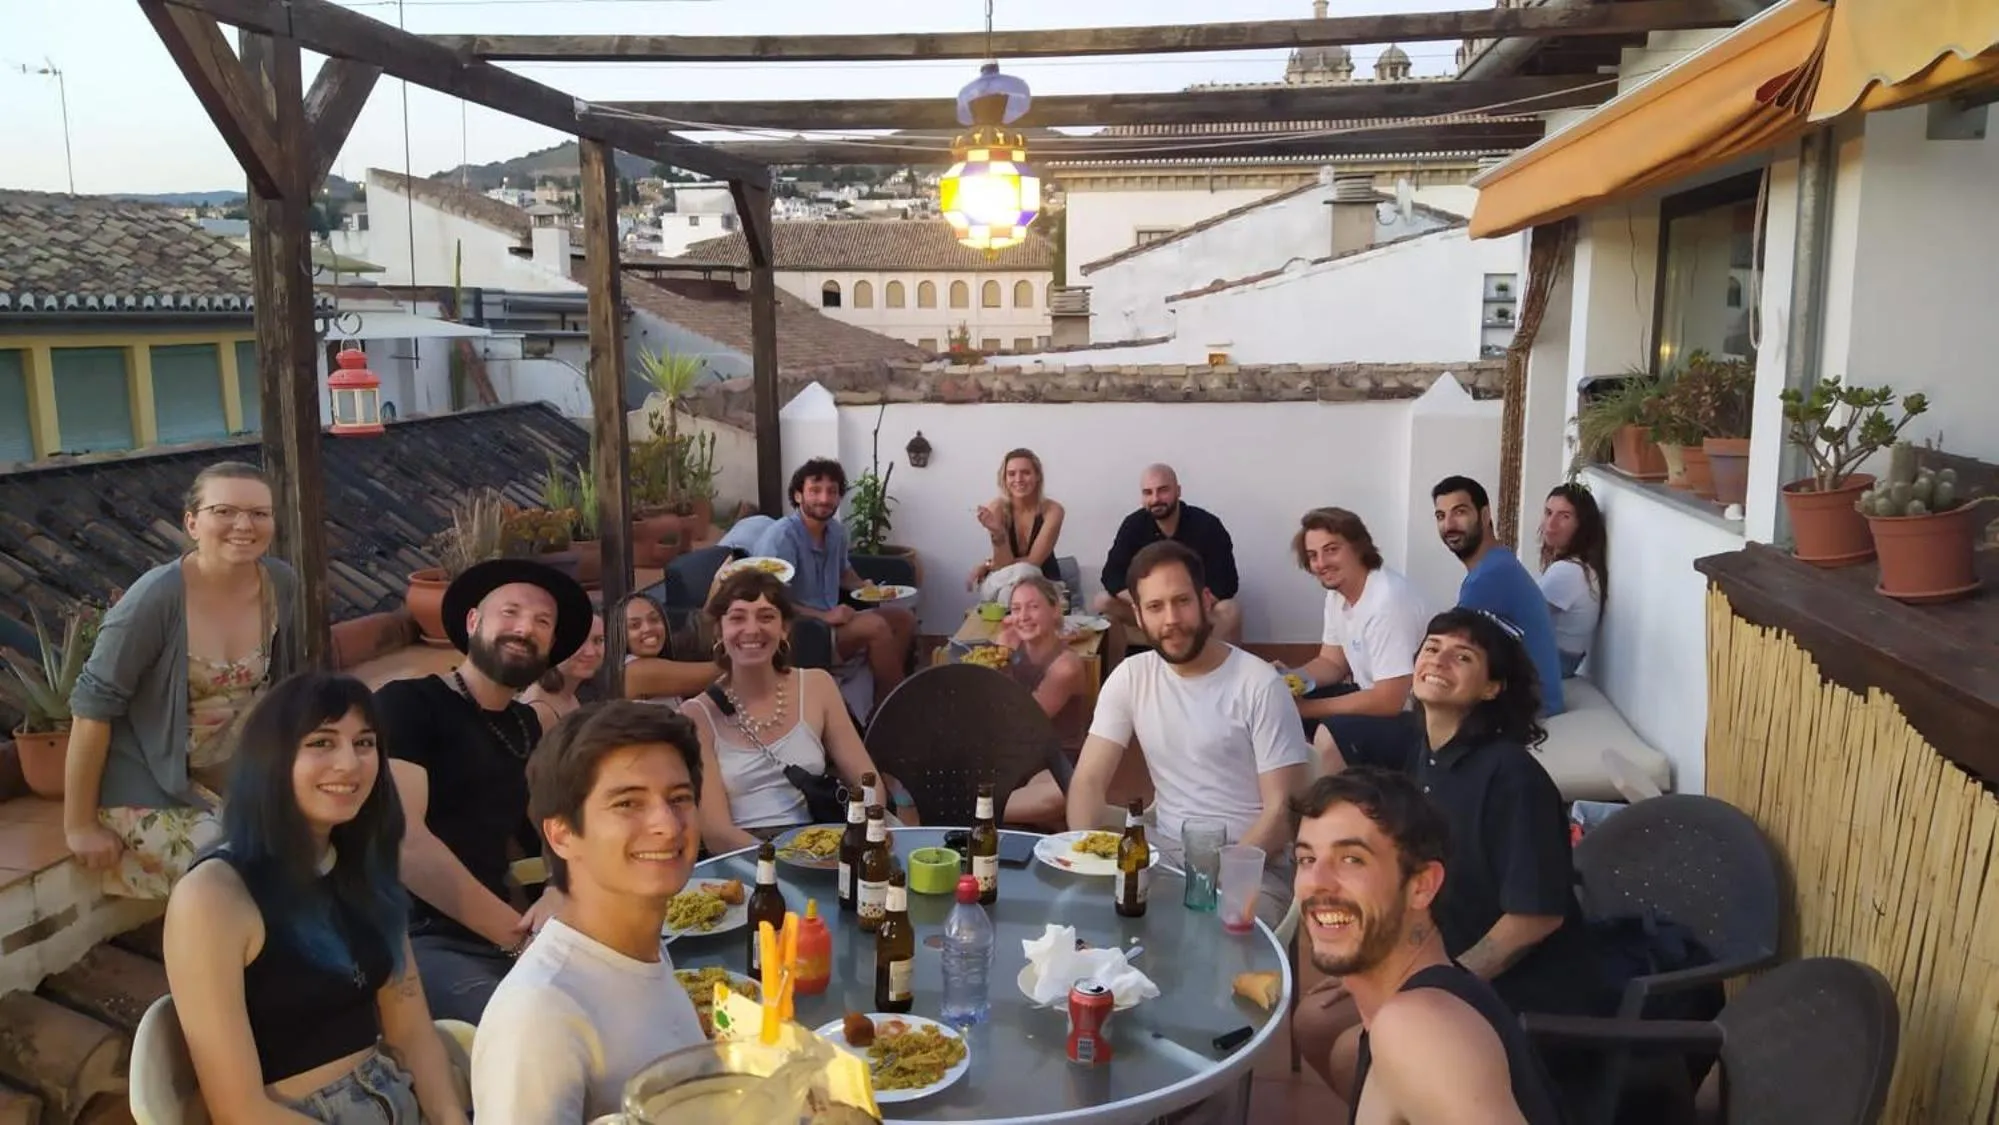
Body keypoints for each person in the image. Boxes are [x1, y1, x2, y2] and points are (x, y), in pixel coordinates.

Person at [1299, 608, 1603, 1103]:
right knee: (1314, 1022)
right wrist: (1377, 960)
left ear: (1492, 688)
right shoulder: (1426, 753)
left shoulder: (1512, 777)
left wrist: (1443, 981)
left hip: (1521, 987)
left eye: (1463, 657)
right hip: (1437, 956)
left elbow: (1535, 917)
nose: (1439, 661)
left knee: (1353, 1052)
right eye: (1432, 648)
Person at [163, 671, 467, 1125]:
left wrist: (451, 1117)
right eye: (322, 743)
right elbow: (239, 1111)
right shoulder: (213, 897)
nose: (350, 764)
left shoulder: (364, 868)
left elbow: (411, 1030)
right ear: (271, 759)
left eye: (364, 743)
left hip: (393, 1093)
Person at [375, 558, 594, 1024]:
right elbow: (404, 842)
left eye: (542, 622)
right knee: (535, 1028)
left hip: (500, 931)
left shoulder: (526, 723)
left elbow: (550, 829)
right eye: (510, 613)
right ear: (473, 621)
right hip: (414, 937)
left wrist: (559, 888)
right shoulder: (408, 704)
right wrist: (519, 938)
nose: (525, 629)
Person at [65, 461, 297, 899]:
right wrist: (79, 826)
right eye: (224, 511)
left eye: (259, 513)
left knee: (333, 840)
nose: (244, 525)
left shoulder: (280, 583)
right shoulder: (155, 599)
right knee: (240, 875)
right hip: (153, 784)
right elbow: (92, 706)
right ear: (192, 523)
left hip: (235, 775)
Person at [471, 702, 710, 1123]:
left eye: (679, 798)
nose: (668, 825)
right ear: (562, 835)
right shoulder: (539, 1016)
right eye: (628, 803)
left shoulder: (641, 946)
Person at [1290, 768, 1564, 1125]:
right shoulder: (1426, 1001)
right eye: (1307, 859)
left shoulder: (1417, 1029)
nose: (1317, 882)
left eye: (1352, 859)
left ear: (1422, 886)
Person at [1067, 541, 1310, 921]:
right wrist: (1083, 859)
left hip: (1254, 865)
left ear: (1206, 601)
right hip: (1166, 851)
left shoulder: (1259, 684)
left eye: (1182, 601)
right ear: (1138, 615)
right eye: (1155, 607)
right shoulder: (1131, 677)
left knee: (1212, 939)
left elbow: (1282, 813)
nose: (1171, 619)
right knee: (1087, 917)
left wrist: (1213, 879)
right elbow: (1088, 781)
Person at [680, 570, 891, 852]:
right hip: (747, 855)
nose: (752, 629)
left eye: (766, 617)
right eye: (738, 618)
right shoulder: (697, 715)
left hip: (821, 842)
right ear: (719, 630)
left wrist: (864, 830)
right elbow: (717, 833)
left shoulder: (817, 685)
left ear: (784, 629)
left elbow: (867, 780)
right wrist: (787, 860)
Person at [751, 458, 917, 712]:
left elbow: (843, 573)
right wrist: (824, 616)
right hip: (801, 630)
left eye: (832, 491)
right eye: (815, 490)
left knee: (904, 619)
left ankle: (882, 701)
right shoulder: (782, 537)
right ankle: (898, 709)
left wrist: (865, 586)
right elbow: (769, 602)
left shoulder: (836, 532)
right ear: (797, 495)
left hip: (834, 621)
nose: (824, 499)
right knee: (876, 626)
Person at [1283, 508, 1431, 758]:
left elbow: (1389, 700)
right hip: (1375, 699)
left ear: (1359, 547)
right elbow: (1331, 663)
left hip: (1417, 719)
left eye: (1331, 550)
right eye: (1313, 555)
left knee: (1329, 734)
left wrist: (1306, 709)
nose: (1321, 563)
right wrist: (1288, 679)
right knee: (1275, 705)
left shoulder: (1387, 601)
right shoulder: (1337, 594)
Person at [1431, 475, 1566, 716]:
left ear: (1484, 516)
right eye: (1441, 516)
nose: (1449, 525)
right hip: (1533, 701)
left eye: (1459, 512)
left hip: (1530, 709)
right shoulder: (1498, 563)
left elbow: (1454, 652)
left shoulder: (1489, 578)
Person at [1095, 464, 1242, 643]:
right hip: (1152, 606)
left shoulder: (1207, 525)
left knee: (1230, 610)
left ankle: (1215, 661)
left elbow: (1226, 582)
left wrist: (1187, 604)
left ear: (1178, 491)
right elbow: (1111, 575)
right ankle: (1125, 663)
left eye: (1163, 490)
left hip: (1193, 608)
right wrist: (1145, 602)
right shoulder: (1133, 525)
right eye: (1148, 493)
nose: (1155, 499)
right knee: (1102, 601)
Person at [993, 575, 1090, 830]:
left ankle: (977, 809)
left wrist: (1003, 663)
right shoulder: (1013, 646)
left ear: (1055, 609)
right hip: (1016, 757)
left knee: (1059, 794)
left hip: (1054, 762)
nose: (1023, 616)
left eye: (1033, 607)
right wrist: (1001, 654)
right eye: (1016, 609)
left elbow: (1021, 722)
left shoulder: (1065, 666)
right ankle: (991, 807)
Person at [1537, 483, 1607, 679]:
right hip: (1563, 661)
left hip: (1554, 662)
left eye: (1564, 516)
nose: (1551, 524)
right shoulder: (1581, 566)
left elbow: (1525, 618)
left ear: (1582, 526)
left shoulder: (1568, 571)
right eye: (1548, 513)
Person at [969, 448, 1066, 588]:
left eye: (1026, 473)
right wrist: (998, 532)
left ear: (1038, 476)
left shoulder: (1053, 511)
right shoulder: (996, 508)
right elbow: (1003, 565)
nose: (1018, 479)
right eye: (1011, 474)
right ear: (1004, 479)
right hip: (1008, 582)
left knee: (1021, 579)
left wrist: (988, 565)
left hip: (1045, 583)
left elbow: (1033, 563)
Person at [617, 592, 719, 702]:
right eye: (635, 625)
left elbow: (690, 637)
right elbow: (713, 675)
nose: (648, 628)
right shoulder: (635, 671)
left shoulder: (661, 657)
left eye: (654, 619)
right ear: (619, 634)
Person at [521, 608, 607, 729]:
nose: (590, 652)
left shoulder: (569, 694)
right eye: (578, 641)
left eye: (598, 640)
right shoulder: (541, 711)